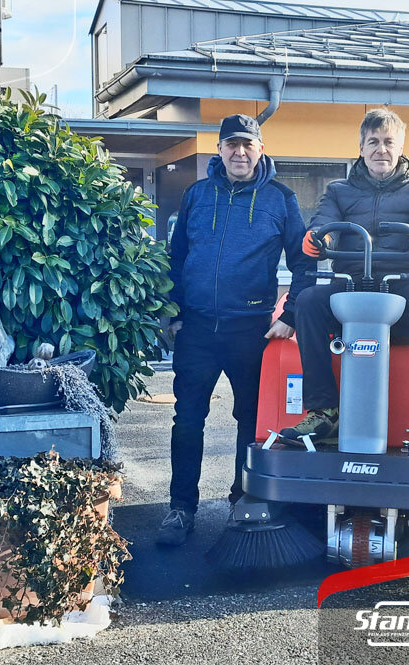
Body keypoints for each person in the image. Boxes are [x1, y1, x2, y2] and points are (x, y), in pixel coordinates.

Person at [156, 114, 315, 546]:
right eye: (231, 144)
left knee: (250, 420)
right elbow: (176, 258)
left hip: (251, 330)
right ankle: (180, 508)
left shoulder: (280, 199)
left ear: (260, 149)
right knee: (187, 420)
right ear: (220, 149)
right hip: (197, 328)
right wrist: (171, 312)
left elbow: (305, 264)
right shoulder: (196, 195)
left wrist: (291, 314)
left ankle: (241, 499)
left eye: (248, 144)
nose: (239, 152)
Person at [282, 108, 409, 456]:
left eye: (388, 142)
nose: (381, 150)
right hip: (353, 283)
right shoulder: (339, 190)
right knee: (310, 302)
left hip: (401, 285)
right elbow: (323, 222)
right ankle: (323, 412)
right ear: (361, 147)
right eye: (373, 142)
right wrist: (319, 239)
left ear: (401, 147)